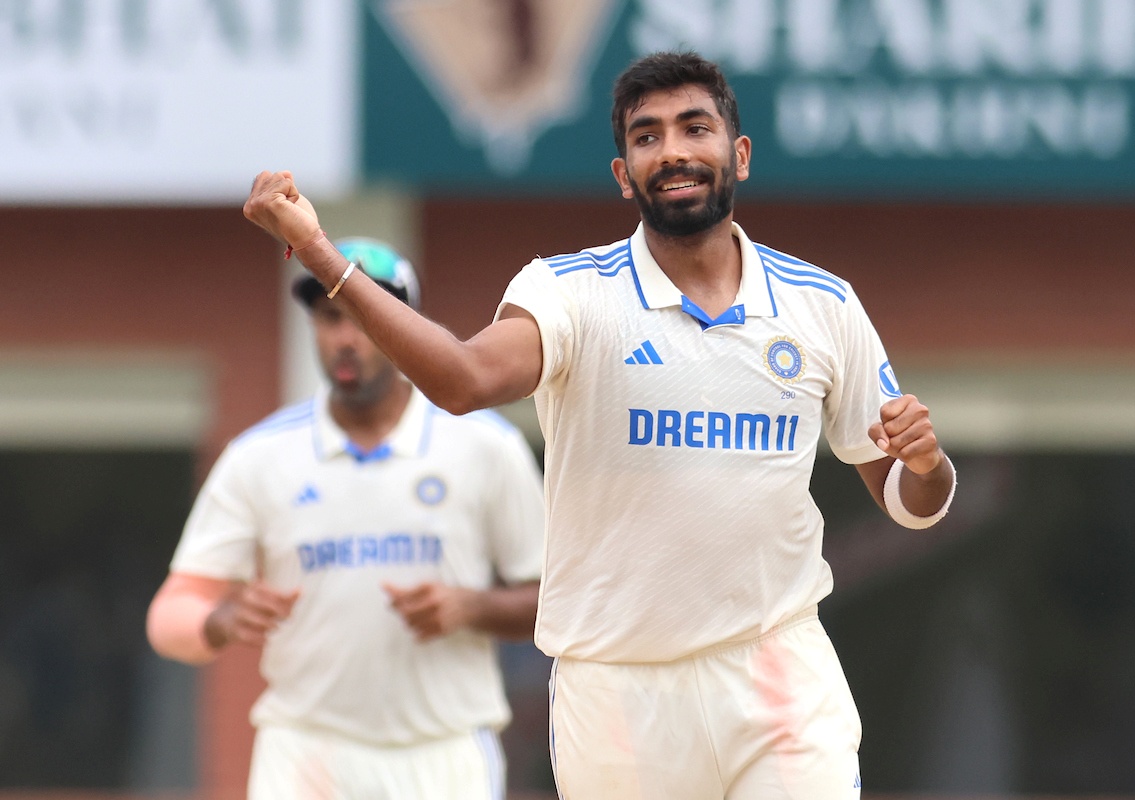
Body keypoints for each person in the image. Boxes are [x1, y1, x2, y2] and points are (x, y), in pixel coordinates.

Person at [242, 51, 957, 799]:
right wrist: (322, 255)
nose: (673, 150)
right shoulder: (569, 292)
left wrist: (928, 463)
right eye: (647, 137)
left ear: (738, 155)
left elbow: (911, 500)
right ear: (624, 173)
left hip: (778, 671)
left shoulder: (823, 304)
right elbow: (463, 381)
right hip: (618, 692)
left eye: (695, 127)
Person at [145, 237, 546, 799]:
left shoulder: (486, 447)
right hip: (307, 753)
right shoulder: (258, 457)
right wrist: (223, 619)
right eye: (329, 318)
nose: (345, 339)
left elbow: (556, 603)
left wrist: (470, 606)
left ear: (401, 323)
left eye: (360, 317)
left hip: (445, 753)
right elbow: (169, 616)